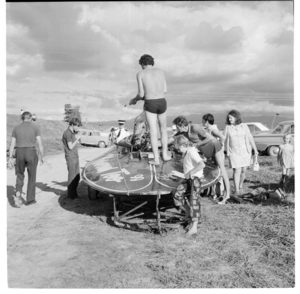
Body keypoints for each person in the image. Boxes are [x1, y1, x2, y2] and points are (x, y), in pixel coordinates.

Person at [171, 116, 231, 204]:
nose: (177, 129)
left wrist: (197, 144)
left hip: (214, 146)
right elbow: (172, 139)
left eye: (177, 127)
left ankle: (227, 194)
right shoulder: (183, 132)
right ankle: (217, 193)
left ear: (182, 125)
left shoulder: (195, 127)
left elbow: (210, 138)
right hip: (205, 150)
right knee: (215, 170)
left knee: (222, 169)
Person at [128, 54, 171, 165]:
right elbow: (165, 90)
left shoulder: (140, 74)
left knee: (153, 130)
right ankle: (165, 155)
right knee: (163, 129)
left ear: (142, 64)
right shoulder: (161, 72)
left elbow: (141, 93)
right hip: (162, 101)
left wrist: (134, 99)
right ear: (152, 62)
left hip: (150, 103)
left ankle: (156, 159)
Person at [8, 111, 44, 207]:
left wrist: (10, 157)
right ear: (30, 118)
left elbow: (12, 144)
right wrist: (42, 155)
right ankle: (30, 199)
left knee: (19, 174)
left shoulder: (16, 128)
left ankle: (18, 192)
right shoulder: (35, 127)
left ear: (22, 118)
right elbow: (40, 143)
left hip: (19, 152)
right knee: (32, 176)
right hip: (31, 152)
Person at [172, 135, 205, 236]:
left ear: (182, 145)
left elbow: (201, 164)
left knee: (194, 201)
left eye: (178, 148)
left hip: (195, 180)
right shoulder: (186, 153)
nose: (178, 150)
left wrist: (191, 172)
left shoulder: (192, 152)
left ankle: (194, 226)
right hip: (188, 179)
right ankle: (187, 213)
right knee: (177, 193)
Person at [223, 110, 258, 195]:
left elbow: (250, 138)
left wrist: (255, 149)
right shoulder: (227, 127)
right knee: (236, 170)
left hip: (245, 152)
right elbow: (223, 139)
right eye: (229, 118)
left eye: (231, 118)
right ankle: (237, 190)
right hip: (233, 152)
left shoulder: (244, 126)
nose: (229, 119)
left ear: (236, 117)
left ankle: (241, 184)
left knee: (243, 171)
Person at [62, 117, 82, 199]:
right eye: (77, 126)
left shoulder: (72, 132)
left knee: (77, 176)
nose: (78, 127)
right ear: (72, 124)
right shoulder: (67, 133)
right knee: (72, 176)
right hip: (70, 157)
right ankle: (71, 195)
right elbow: (70, 146)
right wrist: (77, 139)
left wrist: (76, 135)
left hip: (75, 156)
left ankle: (74, 193)